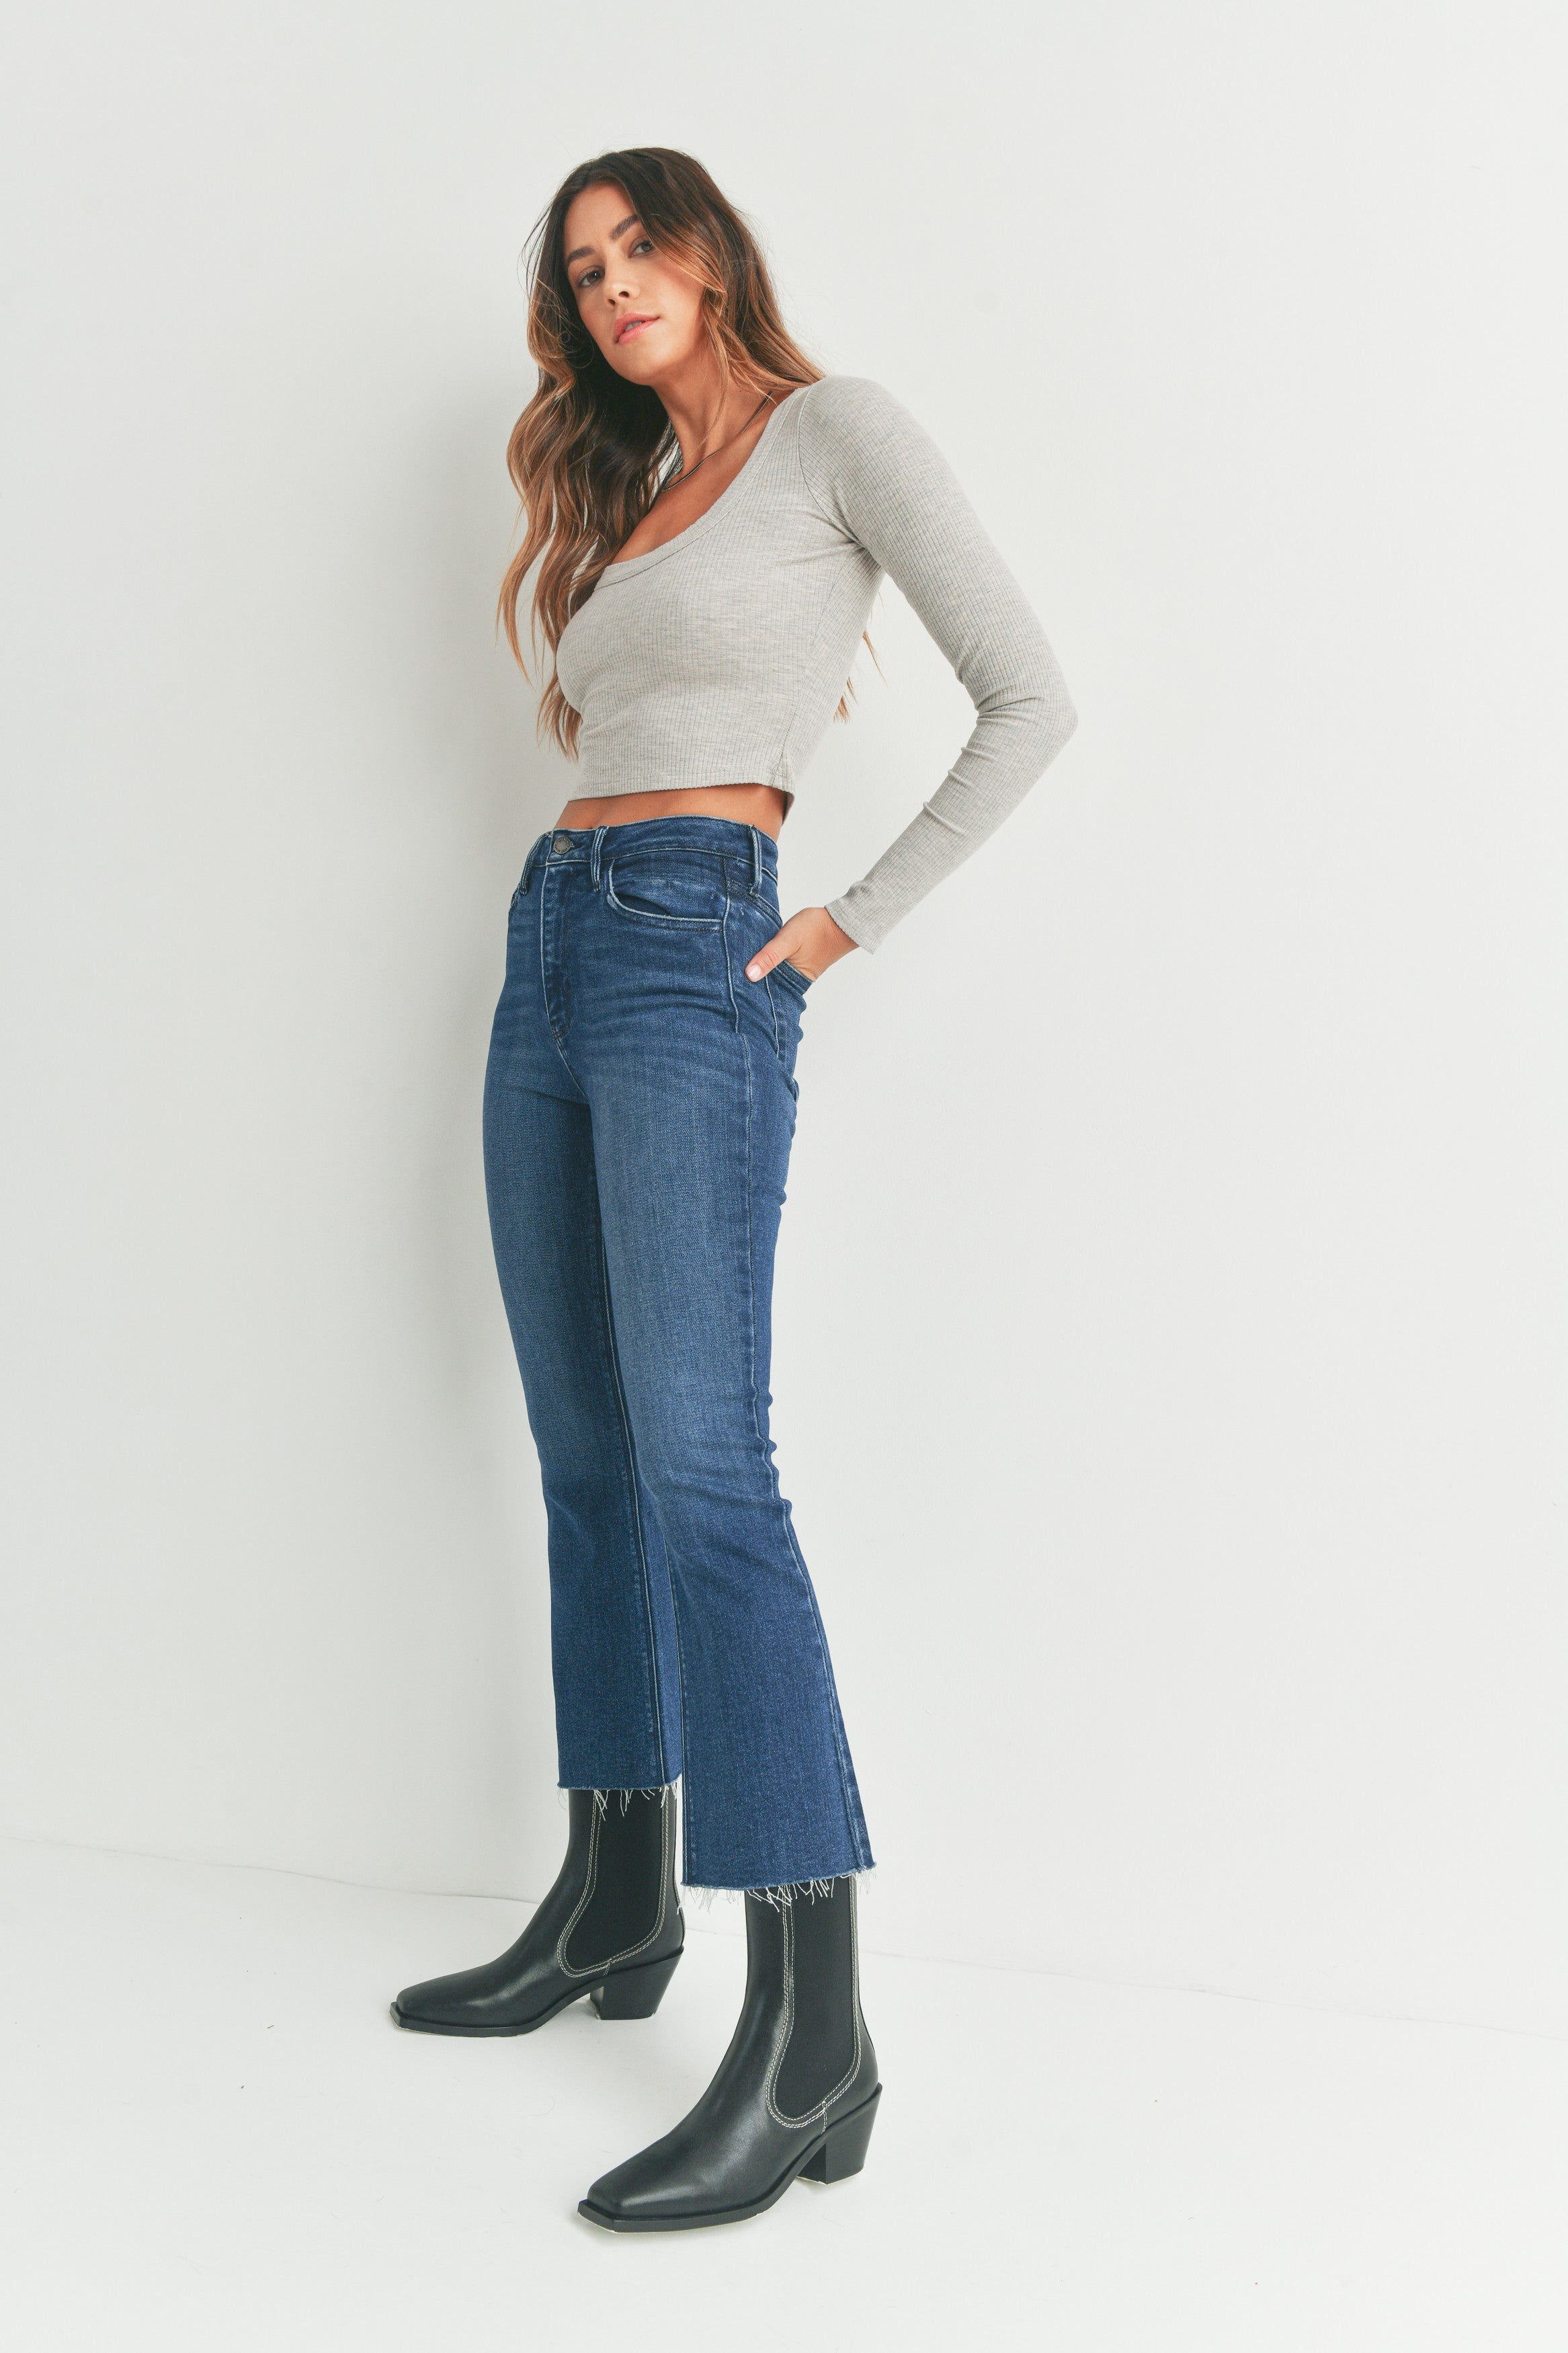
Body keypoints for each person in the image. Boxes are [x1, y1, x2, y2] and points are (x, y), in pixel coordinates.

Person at [391, 146, 1077, 2232]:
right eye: (581, 268)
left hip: (701, 938)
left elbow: (1033, 697)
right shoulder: (634, 495)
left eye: (639, 246)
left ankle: (812, 2036)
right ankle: (616, 1893)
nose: (613, 285)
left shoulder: (836, 433)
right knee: (587, 1456)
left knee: (709, 1470)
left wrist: (846, 921)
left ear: (710, 251)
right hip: (552, 936)